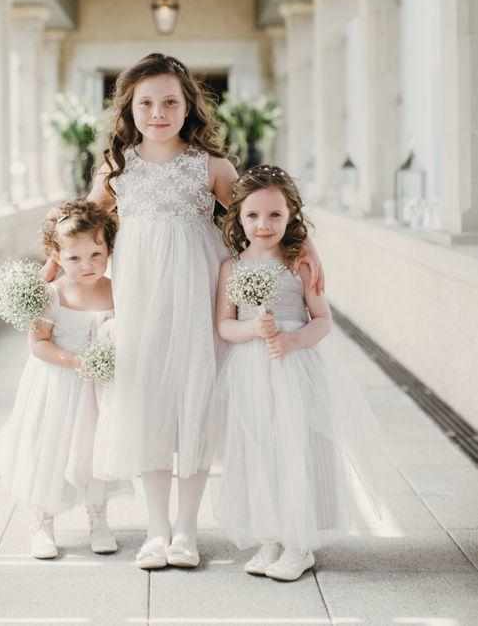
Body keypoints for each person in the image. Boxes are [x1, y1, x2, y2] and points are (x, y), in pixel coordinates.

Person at [45, 54, 324, 570]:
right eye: (146, 103)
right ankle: (157, 529)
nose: (158, 112)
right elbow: (79, 227)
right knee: (147, 398)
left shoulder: (211, 165)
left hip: (200, 292)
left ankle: (188, 531)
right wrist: (41, 280)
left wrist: (304, 247)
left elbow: (257, 215)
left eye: (170, 101)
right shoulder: (117, 168)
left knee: (194, 397)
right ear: (129, 109)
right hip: (142, 297)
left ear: (188, 105)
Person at [214, 165, 384, 581]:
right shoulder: (230, 267)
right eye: (252, 216)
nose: (263, 224)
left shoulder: (300, 264)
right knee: (260, 449)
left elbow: (322, 320)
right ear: (237, 216)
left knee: (295, 446)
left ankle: (298, 542)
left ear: (292, 215)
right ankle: (269, 534)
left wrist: (292, 340)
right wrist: (253, 328)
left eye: (275, 215)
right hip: (252, 370)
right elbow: (224, 325)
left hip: (295, 367)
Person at [2, 198, 124, 560]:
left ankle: (98, 516)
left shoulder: (117, 290)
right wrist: (77, 361)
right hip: (58, 384)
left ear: (109, 249)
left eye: (96, 255)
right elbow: (38, 344)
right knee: (51, 449)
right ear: (56, 256)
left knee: (96, 449)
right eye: (74, 259)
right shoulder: (53, 295)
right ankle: (42, 521)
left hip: (100, 389)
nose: (87, 266)